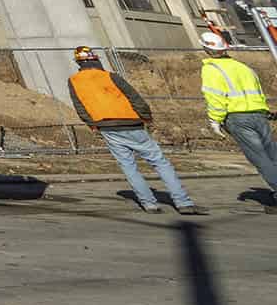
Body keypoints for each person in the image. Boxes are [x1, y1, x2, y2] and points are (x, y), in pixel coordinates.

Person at [69, 46, 202, 214]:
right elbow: (134, 97)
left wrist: (92, 124)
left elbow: (79, 106)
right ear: (96, 59)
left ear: (78, 63)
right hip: (131, 122)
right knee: (160, 162)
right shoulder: (111, 76)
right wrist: (146, 117)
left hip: (106, 126)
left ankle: (149, 204)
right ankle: (183, 203)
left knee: (128, 167)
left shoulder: (74, 81)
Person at [200, 29, 277, 203]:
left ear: (205, 49)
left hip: (237, 117)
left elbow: (215, 97)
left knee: (259, 158)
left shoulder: (211, 69)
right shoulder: (244, 67)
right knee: (272, 153)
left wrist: (215, 120)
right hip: (259, 114)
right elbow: (258, 92)